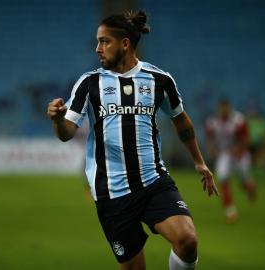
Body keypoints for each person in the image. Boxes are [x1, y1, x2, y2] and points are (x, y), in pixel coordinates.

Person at [47, 10, 218, 270]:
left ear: (124, 43)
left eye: (104, 41)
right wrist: (58, 120)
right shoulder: (89, 84)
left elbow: (181, 121)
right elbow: (66, 133)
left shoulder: (159, 80)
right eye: (97, 41)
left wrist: (199, 162)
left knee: (187, 240)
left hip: (153, 181)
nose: (97, 48)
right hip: (112, 192)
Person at [204, 99, 257, 224]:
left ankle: (250, 188)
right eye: (221, 108)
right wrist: (211, 149)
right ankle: (230, 211)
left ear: (229, 108)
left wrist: (239, 149)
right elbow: (209, 137)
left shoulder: (238, 120)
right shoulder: (213, 122)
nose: (223, 110)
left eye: (225, 108)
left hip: (240, 154)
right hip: (224, 154)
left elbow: (246, 138)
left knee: (244, 182)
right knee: (223, 180)